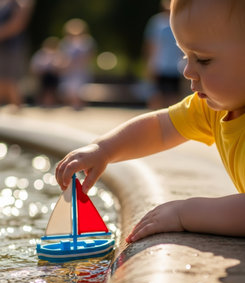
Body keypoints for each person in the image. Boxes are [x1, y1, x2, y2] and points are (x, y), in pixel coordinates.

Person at [56, 0, 245, 243]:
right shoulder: (215, 109)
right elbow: (161, 128)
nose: (187, 70)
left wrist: (184, 213)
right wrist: (104, 149)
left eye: (203, 60)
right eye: (185, 55)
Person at [143, 0, 183, 108]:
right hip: (159, 65)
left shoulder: (180, 20)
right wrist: (149, 64)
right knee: (156, 95)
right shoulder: (156, 22)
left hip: (176, 66)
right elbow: (150, 44)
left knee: (173, 96)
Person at [0, 0, 34, 107]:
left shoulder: (20, 3)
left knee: (10, 80)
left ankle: (17, 106)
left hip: (12, 48)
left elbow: (18, 23)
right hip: (4, 46)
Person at [59, 18, 96, 109]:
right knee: (69, 89)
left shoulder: (87, 41)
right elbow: (62, 56)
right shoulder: (65, 42)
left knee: (80, 89)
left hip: (81, 70)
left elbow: (90, 56)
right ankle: (74, 105)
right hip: (69, 70)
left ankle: (78, 105)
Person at [30, 36, 63, 107]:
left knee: (51, 86)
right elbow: (34, 68)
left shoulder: (59, 54)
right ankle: (43, 103)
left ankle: (50, 103)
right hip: (42, 77)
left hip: (55, 77)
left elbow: (62, 67)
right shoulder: (39, 55)